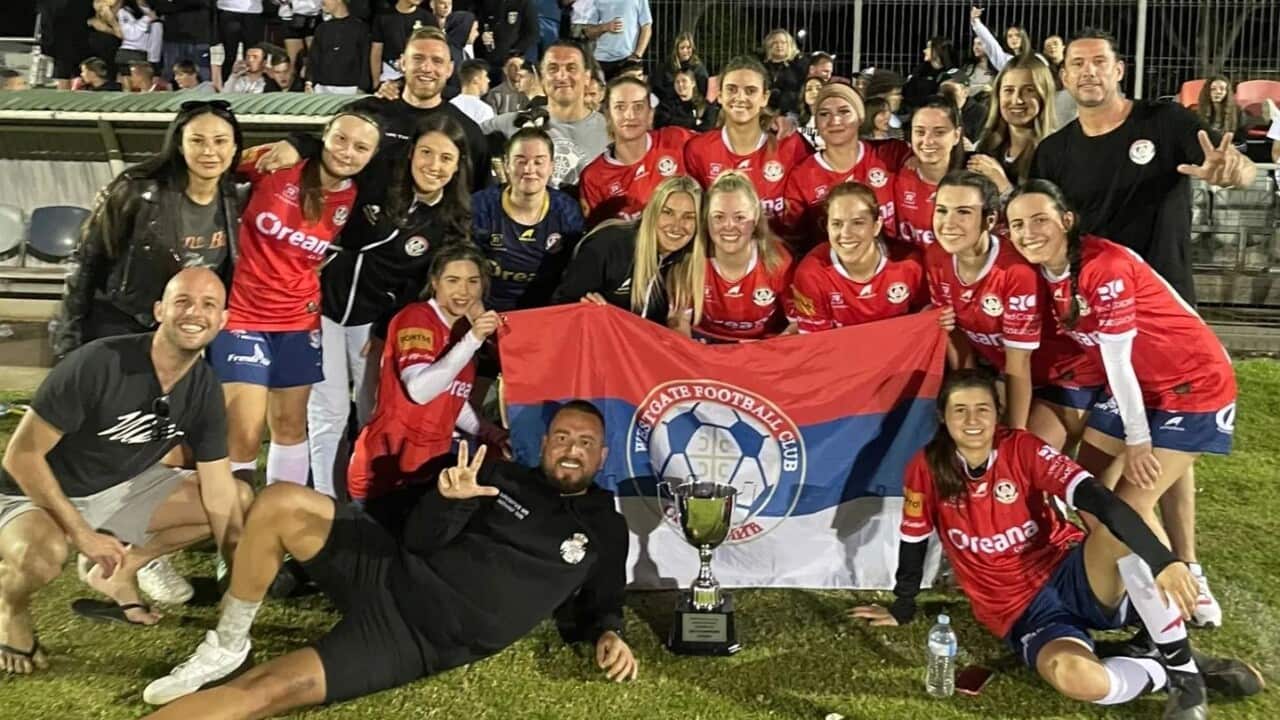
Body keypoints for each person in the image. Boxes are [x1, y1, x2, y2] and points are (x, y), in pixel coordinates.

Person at [140, 402, 637, 716]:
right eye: (563, 438)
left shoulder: (605, 527)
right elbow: (419, 539)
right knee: (279, 501)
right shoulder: (498, 475)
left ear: (603, 455)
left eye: (586, 442)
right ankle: (228, 643)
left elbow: (603, 598)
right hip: (389, 569)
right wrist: (448, 499)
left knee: (264, 692)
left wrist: (608, 632)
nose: (572, 449)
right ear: (546, 445)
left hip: (411, 640)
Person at [851, 369, 1262, 720]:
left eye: (983, 409)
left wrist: (1164, 560)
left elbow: (1099, 501)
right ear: (943, 417)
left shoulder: (1022, 448)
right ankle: (1159, 667)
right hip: (1020, 612)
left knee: (1115, 530)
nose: (973, 420)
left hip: (1070, 572)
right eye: (960, 410)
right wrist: (902, 605)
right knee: (1074, 676)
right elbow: (913, 538)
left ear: (998, 413)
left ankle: (1185, 678)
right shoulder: (925, 468)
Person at [1007, 180, 1241, 629]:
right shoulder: (1046, 270)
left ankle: (1177, 604)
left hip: (1192, 384)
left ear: (1067, 221)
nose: (1028, 232)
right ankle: (1151, 577)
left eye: (1040, 219)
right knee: (1090, 497)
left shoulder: (1105, 265)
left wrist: (1139, 439)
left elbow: (1116, 358)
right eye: (1018, 223)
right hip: (1138, 387)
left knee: (1128, 506)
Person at [0, 269, 254, 671]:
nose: (195, 313)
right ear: (159, 310)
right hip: (31, 492)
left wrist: (238, 576)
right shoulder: (101, 362)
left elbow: (220, 489)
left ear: (223, 320)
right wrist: (82, 535)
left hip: (118, 488)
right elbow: (20, 456)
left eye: (209, 305)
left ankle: (121, 572)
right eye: (183, 301)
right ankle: (9, 612)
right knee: (41, 558)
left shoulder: (204, 385)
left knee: (237, 499)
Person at [207, 110, 381, 489]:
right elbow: (216, 165)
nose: (347, 152)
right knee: (245, 429)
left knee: (289, 424)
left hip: (299, 320)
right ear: (323, 137)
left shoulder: (359, 197)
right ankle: (232, 523)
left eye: (361, 147)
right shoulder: (278, 161)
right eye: (340, 139)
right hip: (243, 314)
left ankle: (276, 518)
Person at [305, 112, 474, 500]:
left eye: (445, 158)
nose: (434, 165)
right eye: (427, 153)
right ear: (412, 152)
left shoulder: (451, 220)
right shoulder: (378, 178)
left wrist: (386, 333)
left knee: (375, 410)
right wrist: (297, 144)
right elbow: (334, 152)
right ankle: (329, 505)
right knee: (328, 411)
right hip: (321, 309)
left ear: (457, 166)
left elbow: (421, 288)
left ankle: (372, 498)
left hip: (374, 325)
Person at [1030, 28, 1256, 307]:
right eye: (1077, 63)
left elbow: (1242, 168)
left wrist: (1234, 173)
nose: (1088, 71)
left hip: (1164, 296)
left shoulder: (1166, 120)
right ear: (1065, 77)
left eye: (1100, 61)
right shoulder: (1052, 151)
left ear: (1119, 71)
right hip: (1093, 300)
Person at [55, 100, 244, 357]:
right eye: (197, 141)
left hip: (189, 331)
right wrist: (68, 339)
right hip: (126, 326)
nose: (209, 151)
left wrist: (299, 144)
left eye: (220, 141)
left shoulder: (238, 198)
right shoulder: (137, 192)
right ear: (179, 145)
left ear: (234, 148)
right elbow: (87, 263)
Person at [926, 171, 1103, 438]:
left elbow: (1019, 361)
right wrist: (970, 391)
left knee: (1023, 460)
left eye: (963, 212)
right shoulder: (936, 256)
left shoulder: (1015, 271)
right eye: (941, 210)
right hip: (1010, 374)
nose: (948, 223)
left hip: (1066, 375)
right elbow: (955, 331)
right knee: (972, 441)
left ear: (990, 220)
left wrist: (1016, 434)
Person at [345, 245, 504, 504]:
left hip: (426, 471)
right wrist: (474, 339)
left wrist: (491, 433)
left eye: (473, 281)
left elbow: (452, 401)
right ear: (434, 283)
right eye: (453, 280)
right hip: (384, 473)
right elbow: (420, 391)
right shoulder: (417, 317)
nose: (463, 291)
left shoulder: (462, 333)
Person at [782, 82, 911, 253]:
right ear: (816, 123)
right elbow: (793, 240)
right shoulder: (802, 176)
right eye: (824, 114)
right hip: (832, 273)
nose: (835, 120)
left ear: (860, 117)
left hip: (893, 269)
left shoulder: (890, 155)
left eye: (844, 112)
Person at [553, 175, 701, 324]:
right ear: (651, 212)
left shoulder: (688, 259)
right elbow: (561, 307)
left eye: (689, 217)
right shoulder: (608, 245)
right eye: (667, 212)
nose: (676, 226)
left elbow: (677, 322)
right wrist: (586, 311)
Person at [684, 55, 812, 225]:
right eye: (731, 89)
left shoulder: (790, 145)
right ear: (720, 96)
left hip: (780, 250)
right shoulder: (698, 150)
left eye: (750, 91)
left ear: (765, 98)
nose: (740, 97)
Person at [670, 171, 793, 342]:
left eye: (740, 217)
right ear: (706, 219)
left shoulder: (778, 261)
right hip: (705, 345)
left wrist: (770, 352)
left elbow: (797, 324)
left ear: (756, 217)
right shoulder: (690, 259)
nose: (729, 226)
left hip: (763, 346)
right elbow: (679, 323)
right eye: (719, 217)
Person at [791, 182, 927, 332]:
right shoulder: (811, 274)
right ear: (827, 227)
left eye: (857, 223)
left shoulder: (909, 264)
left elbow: (925, 323)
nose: (846, 234)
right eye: (837, 224)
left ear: (876, 226)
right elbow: (816, 344)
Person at [474, 127, 583, 312]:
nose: (529, 169)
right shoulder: (481, 207)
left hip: (545, 313)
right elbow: (462, 271)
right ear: (506, 164)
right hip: (487, 311)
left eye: (538, 162)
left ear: (551, 167)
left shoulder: (567, 212)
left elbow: (575, 275)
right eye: (520, 161)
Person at [483, 41, 610, 193]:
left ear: (587, 77)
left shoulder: (612, 131)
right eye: (553, 68)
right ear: (542, 77)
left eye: (571, 68)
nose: (562, 76)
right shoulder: (510, 124)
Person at [580, 76, 694, 227]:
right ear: (607, 115)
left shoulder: (677, 139)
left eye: (638, 107)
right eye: (620, 107)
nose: (630, 115)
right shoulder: (593, 178)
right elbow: (600, 238)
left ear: (650, 114)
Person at [968, 55, 1058, 193]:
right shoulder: (986, 144)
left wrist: (1003, 184)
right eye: (1009, 90)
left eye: (1029, 90)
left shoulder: (1056, 152)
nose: (1017, 100)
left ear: (1043, 94)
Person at [895, 96, 965, 247]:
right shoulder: (897, 173)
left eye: (939, 133)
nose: (927, 141)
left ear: (956, 136)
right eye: (920, 132)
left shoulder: (973, 183)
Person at [307, 0, 371, 94]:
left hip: (351, 88)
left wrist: (363, 86)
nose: (322, 1)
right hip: (322, 88)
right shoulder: (322, 29)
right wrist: (309, 82)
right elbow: (314, 58)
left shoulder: (360, 28)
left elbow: (365, 59)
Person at [369, 0, 436, 88]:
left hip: (419, 76)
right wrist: (376, 82)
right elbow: (376, 51)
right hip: (390, 76)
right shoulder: (383, 17)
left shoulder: (428, 18)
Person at [580, 0, 651, 79]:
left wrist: (637, 55)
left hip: (628, 60)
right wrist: (605, 27)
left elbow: (646, 27)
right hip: (601, 60)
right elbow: (588, 33)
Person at [475, 0, 540, 82]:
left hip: (514, 64)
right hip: (490, 63)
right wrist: (482, 36)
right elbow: (480, 26)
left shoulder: (524, 3)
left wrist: (514, 53)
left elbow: (532, 34)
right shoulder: (487, 3)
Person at [152, 0, 215, 85]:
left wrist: (173, 4)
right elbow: (160, 6)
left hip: (199, 38)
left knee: (203, 77)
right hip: (172, 39)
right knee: (169, 76)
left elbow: (204, 2)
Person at [216, 0, 266, 86]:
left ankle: (252, 87)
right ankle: (226, 87)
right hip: (228, 8)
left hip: (253, 11)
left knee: (253, 56)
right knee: (229, 55)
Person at [970, 6, 1032, 71]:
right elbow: (990, 41)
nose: (1014, 38)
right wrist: (976, 20)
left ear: (1024, 38)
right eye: (1010, 36)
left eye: (1018, 35)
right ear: (1006, 40)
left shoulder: (1035, 58)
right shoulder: (1005, 59)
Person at [904, 36, 957, 110]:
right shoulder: (920, 70)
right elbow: (908, 92)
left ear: (937, 50)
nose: (924, 51)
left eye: (928, 48)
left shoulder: (952, 73)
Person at [657, 68, 717, 133]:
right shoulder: (667, 104)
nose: (680, 84)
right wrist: (694, 122)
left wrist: (677, 122)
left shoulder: (705, 105)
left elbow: (708, 127)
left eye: (684, 81)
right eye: (677, 82)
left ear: (693, 83)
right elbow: (662, 122)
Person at [760, 28, 804, 116]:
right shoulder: (761, 66)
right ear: (769, 45)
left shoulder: (798, 65)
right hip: (763, 111)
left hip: (791, 112)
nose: (779, 45)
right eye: (775, 42)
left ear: (790, 45)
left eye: (783, 43)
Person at [656, 31, 708, 105]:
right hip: (670, 104)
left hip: (692, 103)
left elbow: (703, 90)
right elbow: (659, 86)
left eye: (688, 48)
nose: (685, 51)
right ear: (677, 49)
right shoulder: (667, 65)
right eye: (682, 48)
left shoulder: (698, 67)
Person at [938, 68, 986, 148]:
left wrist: (972, 147)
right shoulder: (935, 110)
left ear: (966, 92)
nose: (947, 96)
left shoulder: (980, 113)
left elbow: (983, 142)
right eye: (944, 91)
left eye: (952, 91)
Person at [1195, 76, 1247, 142]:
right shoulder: (1196, 112)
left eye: (1222, 89)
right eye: (1213, 89)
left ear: (1227, 92)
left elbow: (1241, 138)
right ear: (1207, 92)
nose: (1218, 92)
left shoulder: (1238, 112)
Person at [450, 59, 496, 125]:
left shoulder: (450, 105)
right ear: (476, 79)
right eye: (485, 76)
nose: (488, 80)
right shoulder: (484, 110)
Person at [796, 76, 825, 149]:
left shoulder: (833, 120)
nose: (814, 92)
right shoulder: (797, 122)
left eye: (818, 89)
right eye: (809, 89)